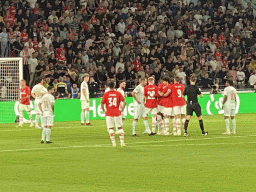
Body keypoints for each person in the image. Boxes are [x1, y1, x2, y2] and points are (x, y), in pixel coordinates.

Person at [101, 81, 126, 147]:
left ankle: (114, 143)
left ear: (109, 87)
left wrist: (104, 111)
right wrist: (122, 109)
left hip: (109, 113)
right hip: (117, 112)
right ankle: (122, 142)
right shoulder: (118, 93)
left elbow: (102, 103)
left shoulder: (106, 94)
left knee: (110, 128)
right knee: (120, 127)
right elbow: (124, 101)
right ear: (114, 86)